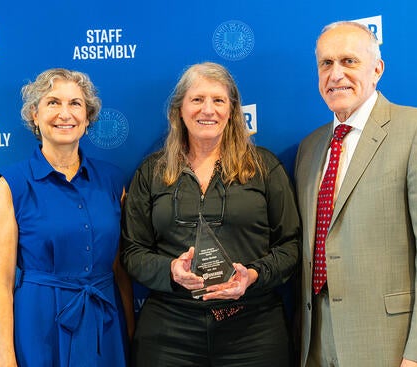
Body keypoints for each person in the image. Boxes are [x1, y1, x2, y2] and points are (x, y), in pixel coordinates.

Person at [294, 21, 417, 367]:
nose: (336, 73)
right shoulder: (310, 148)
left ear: (377, 69)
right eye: (326, 63)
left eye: (349, 61)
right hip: (315, 342)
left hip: (391, 346)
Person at [121, 62, 301, 367]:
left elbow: (291, 245)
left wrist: (253, 275)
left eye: (218, 100)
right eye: (197, 99)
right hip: (170, 331)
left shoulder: (263, 167)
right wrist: (171, 270)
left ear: (231, 111)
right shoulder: (152, 172)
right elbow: (132, 251)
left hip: (253, 330)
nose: (208, 109)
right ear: (179, 110)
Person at [0, 68, 134, 367]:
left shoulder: (112, 181)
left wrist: (130, 334)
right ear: (34, 114)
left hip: (105, 323)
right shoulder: (12, 184)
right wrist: (5, 359)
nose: (64, 113)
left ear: (88, 116)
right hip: (39, 325)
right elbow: (1, 284)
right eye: (53, 103)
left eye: (75, 104)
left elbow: (121, 270)